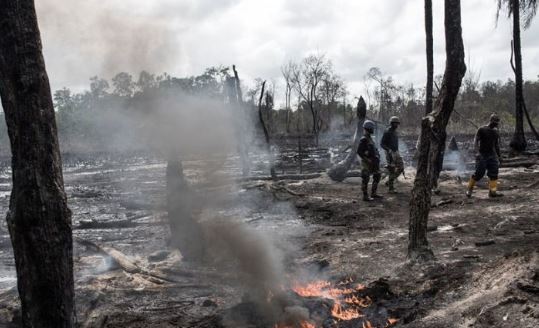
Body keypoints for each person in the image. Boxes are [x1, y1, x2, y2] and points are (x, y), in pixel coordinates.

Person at [466, 113, 503, 198]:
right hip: (482, 155)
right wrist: (477, 152)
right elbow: (475, 141)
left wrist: (499, 156)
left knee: (494, 173)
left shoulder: (495, 132)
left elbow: (496, 145)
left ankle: (492, 192)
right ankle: (469, 189)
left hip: (492, 155)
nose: (496, 124)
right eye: (495, 122)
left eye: (497, 122)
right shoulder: (482, 129)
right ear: (491, 121)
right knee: (479, 173)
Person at [357, 120, 382, 201]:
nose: (373, 130)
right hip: (366, 162)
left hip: (373, 161)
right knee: (366, 178)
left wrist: (377, 155)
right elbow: (359, 152)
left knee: (377, 175)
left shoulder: (370, 139)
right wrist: (367, 160)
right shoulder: (364, 139)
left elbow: (374, 149)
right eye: (372, 128)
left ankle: (373, 193)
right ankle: (365, 196)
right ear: (368, 128)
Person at [381, 116, 404, 193]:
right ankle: (391, 189)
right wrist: (389, 150)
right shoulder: (387, 132)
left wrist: (397, 151)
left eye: (397, 123)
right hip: (390, 153)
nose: (397, 125)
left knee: (401, 167)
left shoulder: (395, 132)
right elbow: (382, 144)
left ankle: (389, 181)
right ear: (391, 123)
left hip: (396, 152)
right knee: (392, 169)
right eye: (395, 123)